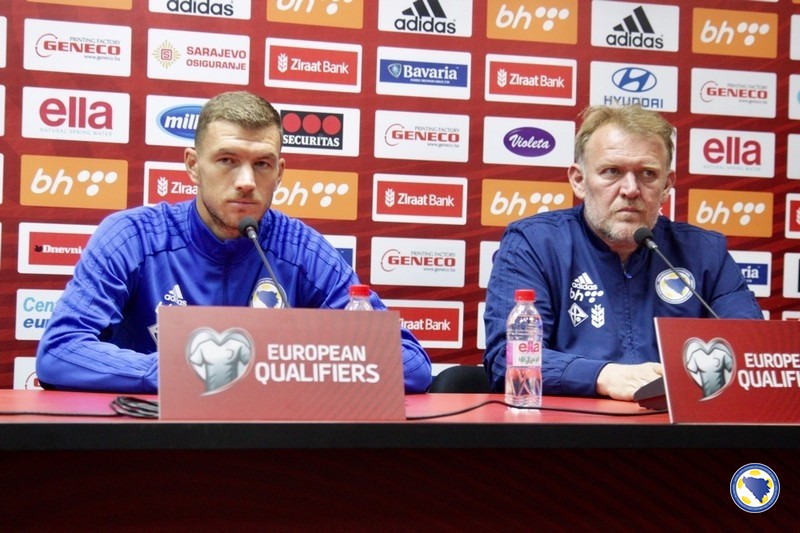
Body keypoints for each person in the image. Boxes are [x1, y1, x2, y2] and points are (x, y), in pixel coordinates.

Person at [36, 91, 432, 394]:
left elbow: (412, 365)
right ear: (193, 165)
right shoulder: (132, 236)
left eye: (262, 164)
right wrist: (182, 372)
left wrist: (295, 368)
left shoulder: (304, 252)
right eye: (227, 160)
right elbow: (60, 351)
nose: (246, 181)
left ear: (280, 172)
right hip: (150, 446)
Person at [483, 105, 762, 401]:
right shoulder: (534, 243)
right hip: (570, 425)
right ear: (579, 180)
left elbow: (752, 354)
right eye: (612, 171)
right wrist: (603, 376)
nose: (630, 189)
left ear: (667, 185)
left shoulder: (705, 252)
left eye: (647, 174)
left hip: (675, 425)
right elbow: (507, 360)